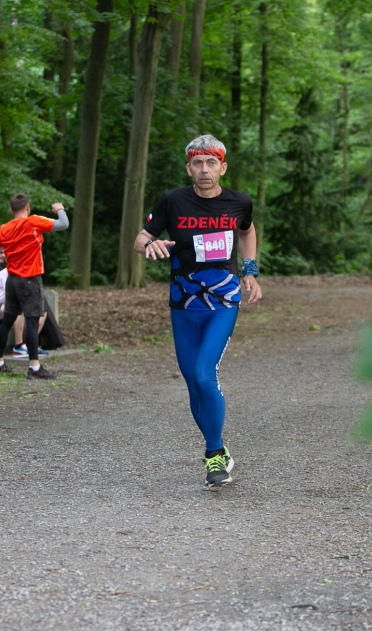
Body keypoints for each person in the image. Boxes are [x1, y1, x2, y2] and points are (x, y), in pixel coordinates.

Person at [134, 133, 262, 490]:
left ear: (223, 167)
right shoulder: (172, 201)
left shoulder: (239, 202)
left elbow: (248, 231)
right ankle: (218, 447)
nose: (204, 169)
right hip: (184, 303)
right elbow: (140, 239)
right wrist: (151, 243)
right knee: (193, 382)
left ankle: (213, 455)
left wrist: (250, 271)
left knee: (205, 374)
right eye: (197, 163)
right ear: (189, 168)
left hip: (223, 301)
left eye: (211, 163)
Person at [0, 193, 68, 379]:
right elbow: (63, 224)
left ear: (11, 210)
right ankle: (34, 368)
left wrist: (6, 245)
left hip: (12, 280)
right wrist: (60, 209)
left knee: (7, 321)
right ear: (27, 207)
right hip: (30, 279)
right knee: (31, 321)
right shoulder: (33, 222)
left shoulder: (4, 229)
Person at [0, 267, 49, 358]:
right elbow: (12, 296)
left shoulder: (25, 274)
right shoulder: (8, 273)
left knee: (41, 311)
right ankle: (19, 346)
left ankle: (30, 345)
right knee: (17, 307)